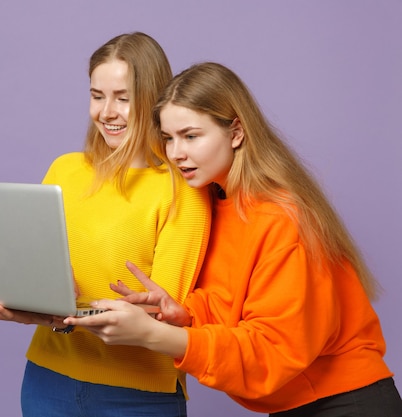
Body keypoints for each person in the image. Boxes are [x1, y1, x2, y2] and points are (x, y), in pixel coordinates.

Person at [66, 62, 402, 416]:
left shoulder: (281, 217)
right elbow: (235, 301)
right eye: (168, 137)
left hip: (346, 402)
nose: (176, 152)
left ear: (236, 133)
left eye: (191, 136)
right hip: (298, 402)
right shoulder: (215, 201)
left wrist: (152, 335)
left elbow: (272, 349)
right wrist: (185, 313)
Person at [0, 33, 211, 417]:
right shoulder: (64, 169)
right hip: (47, 379)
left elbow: (165, 312)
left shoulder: (181, 188)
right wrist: (32, 306)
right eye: (97, 95)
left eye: (123, 97)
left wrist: (60, 316)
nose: (107, 112)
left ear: (153, 100)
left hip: (138, 396)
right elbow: (40, 271)